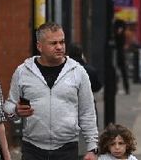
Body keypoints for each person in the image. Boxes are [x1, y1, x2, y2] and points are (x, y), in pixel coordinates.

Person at [6, 23, 99, 160]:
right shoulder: (23, 72)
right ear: (39, 46)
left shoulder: (77, 72)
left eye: (62, 42)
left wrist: (93, 148)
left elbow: (87, 112)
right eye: (53, 43)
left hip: (67, 148)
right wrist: (16, 111)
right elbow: (8, 107)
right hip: (32, 148)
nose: (59, 47)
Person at [112, 19, 133, 95]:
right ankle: (120, 88)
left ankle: (120, 88)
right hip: (120, 53)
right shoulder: (123, 33)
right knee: (119, 72)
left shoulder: (121, 33)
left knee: (119, 71)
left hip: (118, 53)